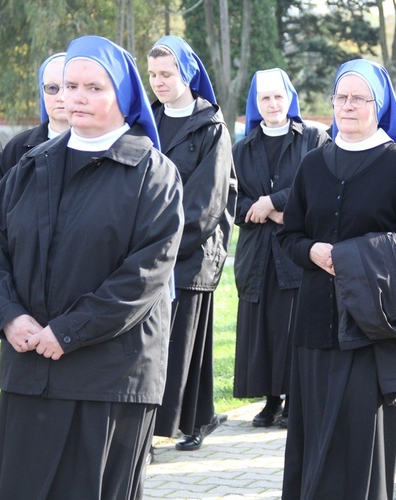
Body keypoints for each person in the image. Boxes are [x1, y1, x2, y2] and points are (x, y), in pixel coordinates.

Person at [0, 35, 184, 499]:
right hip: (32, 368)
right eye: (69, 86)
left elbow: (145, 273)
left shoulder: (152, 173)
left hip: (110, 377)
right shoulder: (31, 166)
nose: (76, 98)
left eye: (94, 87)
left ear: (122, 94)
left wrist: (67, 331)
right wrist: (9, 315)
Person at [277, 59, 396, 499]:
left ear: (379, 104)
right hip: (315, 324)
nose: (347, 106)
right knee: (312, 437)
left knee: (360, 442)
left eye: (358, 99)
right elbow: (289, 236)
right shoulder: (312, 164)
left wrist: (355, 257)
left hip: (371, 328)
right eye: (341, 98)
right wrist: (312, 251)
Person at [147, 35, 236, 452]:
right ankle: (162, 423)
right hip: (145, 252)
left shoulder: (211, 127)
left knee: (186, 342)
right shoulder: (146, 121)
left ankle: (190, 420)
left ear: (187, 74)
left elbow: (208, 200)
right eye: (152, 75)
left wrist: (165, 244)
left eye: (167, 74)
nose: (159, 82)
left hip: (190, 253)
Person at [233, 68, 327, 428]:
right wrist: (262, 211)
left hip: (297, 249)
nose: (272, 104)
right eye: (264, 98)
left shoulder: (313, 139)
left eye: (278, 97)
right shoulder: (243, 148)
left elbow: (316, 184)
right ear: (256, 104)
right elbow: (231, 200)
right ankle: (270, 400)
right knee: (265, 327)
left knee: (293, 324)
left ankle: (294, 401)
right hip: (257, 253)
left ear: (290, 99)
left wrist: (272, 202)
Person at [0, 53, 69, 196]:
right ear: (42, 92)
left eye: (69, 87)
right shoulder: (17, 149)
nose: (61, 98)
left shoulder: (97, 149)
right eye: (52, 88)